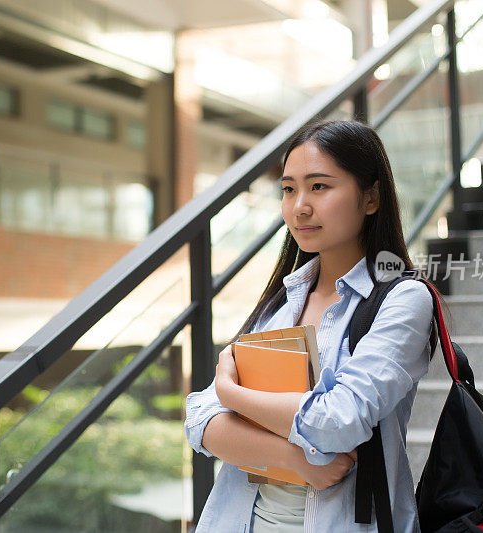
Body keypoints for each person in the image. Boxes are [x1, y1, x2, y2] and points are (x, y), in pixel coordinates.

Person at [184, 119, 435, 532]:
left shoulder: (403, 299)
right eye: (288, 189)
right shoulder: (281, 302)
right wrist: (294, 458)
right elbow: (200, 419)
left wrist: (232, 393)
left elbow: (338, 422)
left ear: (371, 197)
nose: (299, 205)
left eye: (319, 186)